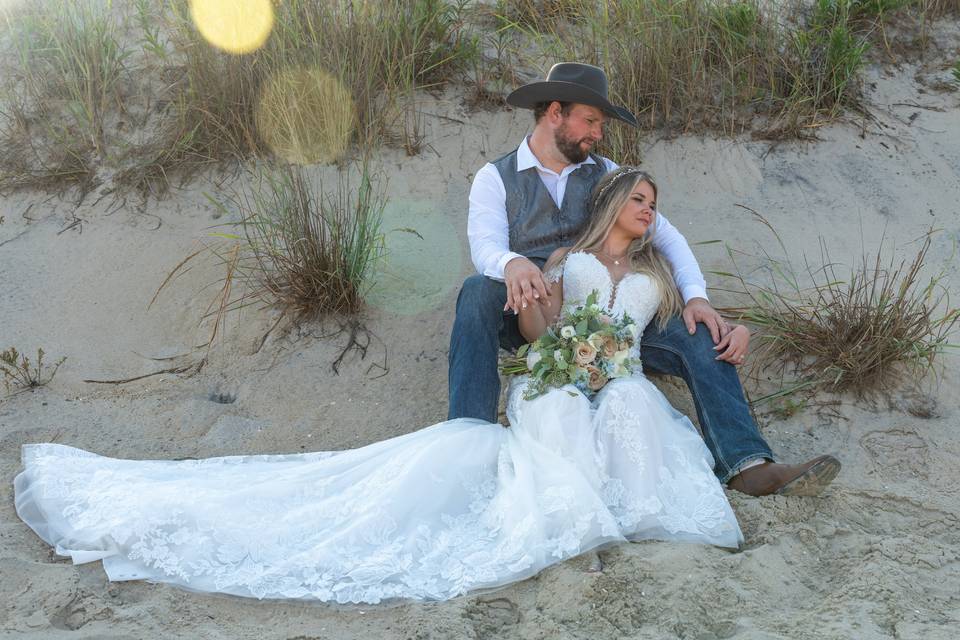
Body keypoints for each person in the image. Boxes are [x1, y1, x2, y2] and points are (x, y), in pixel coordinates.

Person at [15, 168, 746, 605]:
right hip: (562, 363)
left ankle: (633, 507)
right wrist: (551, 325)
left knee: (625, 399)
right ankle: (563, 518)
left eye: (655, 201)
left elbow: (683, 327)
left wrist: (722, 321)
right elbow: (533, 335)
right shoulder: (562, 256)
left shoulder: (658, 278)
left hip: (617, 376)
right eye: (640, 197)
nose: (650, 208)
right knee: (551, 400)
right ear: (613, 200)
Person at [448, 62, 840, 497]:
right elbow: (484, 245)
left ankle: (748, 464)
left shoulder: (606, 174)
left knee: (698, 331)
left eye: (600, 124)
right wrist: (511, 264)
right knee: (476, 292)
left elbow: (669, 238)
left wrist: (697, 297)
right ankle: (468, 444)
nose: (598, 133)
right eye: (591, 120)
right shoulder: (495, 177)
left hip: (612, 323)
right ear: (555, 112)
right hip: (529, 314)